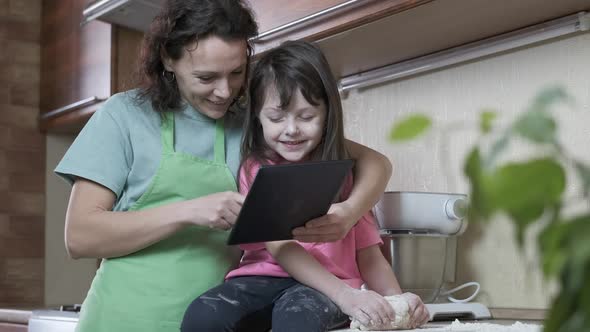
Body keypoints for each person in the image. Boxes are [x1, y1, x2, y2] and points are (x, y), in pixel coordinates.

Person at [55, 1, 392, 331]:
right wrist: (188, 211)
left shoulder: (254, 123)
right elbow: (80, 236)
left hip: (222, 317)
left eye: (236, 72)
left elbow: (373, 162)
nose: (224, 91)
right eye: (206, 77)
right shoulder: (124, 115)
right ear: (168, 61)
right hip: (123, 319)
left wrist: (349, 213)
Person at [180, 40, 430, 332]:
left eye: (307, 116)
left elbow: (369, 253)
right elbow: (280, 245)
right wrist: (346, 297)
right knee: (203, 316)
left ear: (327, 115)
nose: (291, 129)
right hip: (262, 278)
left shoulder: (344, 174)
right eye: (276, 117)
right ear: (258, 118)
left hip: (327, 287)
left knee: (297, 321)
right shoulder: (256, 168)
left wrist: (395, 302)